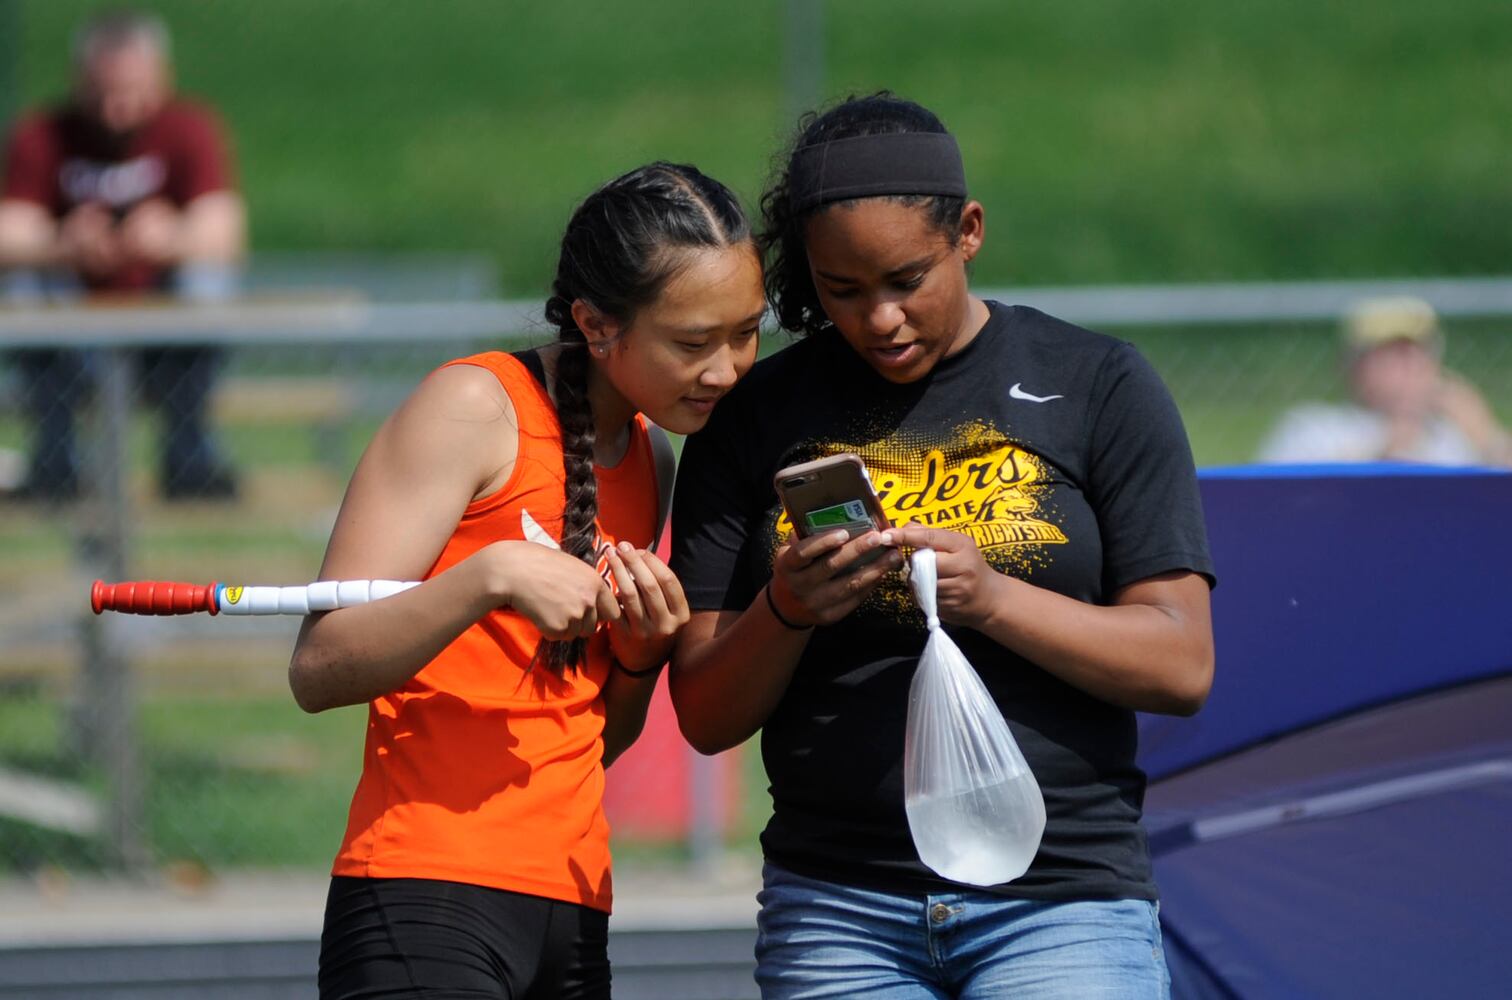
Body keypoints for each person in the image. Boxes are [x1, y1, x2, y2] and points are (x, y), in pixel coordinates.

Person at [669, 93, 1215, 999]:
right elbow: (705, 712)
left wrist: (991, 597)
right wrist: (788, 609)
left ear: (968, 232)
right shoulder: (755, 415)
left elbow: (1181, 664)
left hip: (1061, 904)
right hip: (839, 909)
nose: (879, 319)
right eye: (842, 292)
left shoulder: (1097, 384)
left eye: (905, 280)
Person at [289, 162, 763, 999]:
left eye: (745, 333)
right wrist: (489, 577)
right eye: (693, 342)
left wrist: (640, 654)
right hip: (425, 891)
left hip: (573, 904)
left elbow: (597, 740)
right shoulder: (474, 407)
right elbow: (321, 667)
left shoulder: (651, 454)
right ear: (596, 323)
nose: (727, 368)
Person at [0, 9, 246, 501]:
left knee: (207, 279)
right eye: (103, 94)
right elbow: (9, 234)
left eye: (133, 92)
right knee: (23, 283)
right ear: (79, 82)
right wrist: (63, 244)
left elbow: (225, 233)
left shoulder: (188, 129)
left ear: (163, 79)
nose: (118, 111)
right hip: (72, 330)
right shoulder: (42, 135)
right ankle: (56, 460)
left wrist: (168, 239)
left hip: (163, 331)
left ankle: (189, 456)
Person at [1258, 296, 1512, 467]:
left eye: (1419, 353)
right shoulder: (1314, 430)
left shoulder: (1453, 435)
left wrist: (1486, 436)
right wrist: (1386, 456)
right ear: (1353, 364)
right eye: (1393, 354)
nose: (1411, 366)